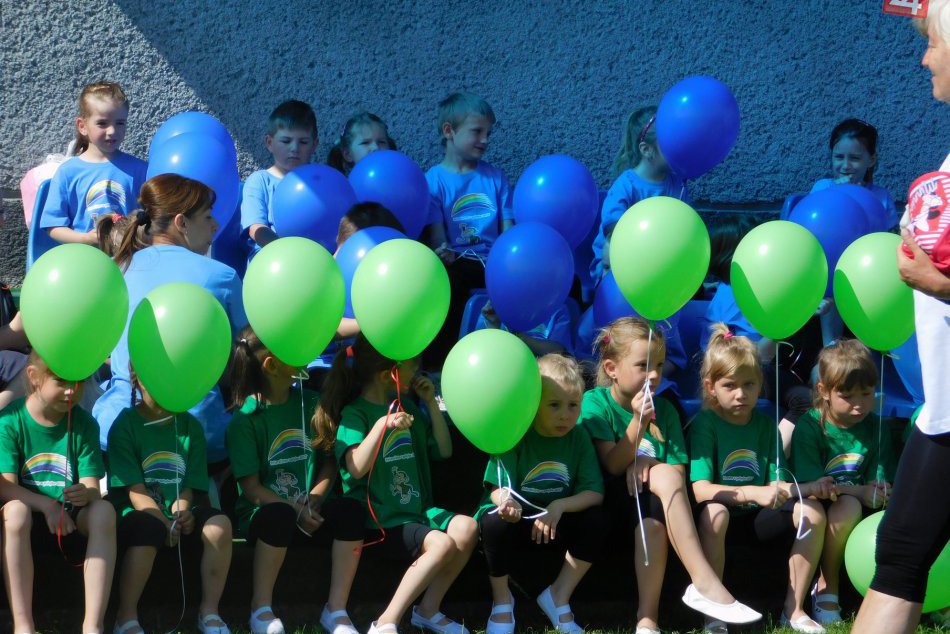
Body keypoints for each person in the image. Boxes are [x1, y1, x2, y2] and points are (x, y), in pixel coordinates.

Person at [852, 6, 950, 631]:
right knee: (900, 560)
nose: (924, 58)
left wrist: (936, 281)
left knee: (900, 563)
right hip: (941, 409)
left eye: (933, 42)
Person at [578, 317, 760, 634]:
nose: (654, 375)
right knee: (656, 486)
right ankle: (704, 582)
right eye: (642, 365)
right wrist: (637, 423)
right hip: (610, 507)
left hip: (655, 511)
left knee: (654, 517)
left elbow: (676, 472)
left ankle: (647, 619)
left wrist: (646, 464)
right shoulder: (595, 403)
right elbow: (611, 465)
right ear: (611, 369)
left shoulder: (666, 409)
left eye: (660, 365)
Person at [316, 335, 477, 634]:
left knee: (467, 528)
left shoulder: (410, 408)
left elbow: (443, 450)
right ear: (387, 374)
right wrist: (382, 425)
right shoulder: (356, 414)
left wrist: (429, 402)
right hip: (380, 520)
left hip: (417, 513)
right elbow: (355, 467)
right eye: (412, 365)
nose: (418, 371)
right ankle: (386, 622)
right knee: (441, 544)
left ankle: (427, 611)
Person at [93, 174, 247, 464]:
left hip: (116, 430)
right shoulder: (222, 276)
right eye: (208, 216)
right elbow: (245, 356)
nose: (215, 225)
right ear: (181, 223)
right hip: (199, 438)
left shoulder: (115, 272)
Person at [690, 325, 832, 634]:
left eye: (749, 384)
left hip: (759, 520)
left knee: (812, 512)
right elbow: (701, 491)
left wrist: (809, 488)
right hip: (721, 519)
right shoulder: (706, 424)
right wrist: (753, 493)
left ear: (761, 385)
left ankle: (793, 611)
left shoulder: (767, 427)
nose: (741, 394)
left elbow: (777, 485)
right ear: (710, 387)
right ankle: (712, 612)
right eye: (730, 386)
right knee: (716, 512)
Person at [227, 327, 364, 634]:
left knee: (351, 512)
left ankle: (336, 609)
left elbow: (329, 463)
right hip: (268, 515)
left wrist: (316, 496)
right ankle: (260, 608)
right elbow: (252, 490)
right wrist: (293, 508)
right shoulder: (246, 419)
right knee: (279, 515)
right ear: (272, 365)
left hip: (310, 513)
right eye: (292, 347)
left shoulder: (314, 401)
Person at [477, 354, 607, 634]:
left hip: (554, 519)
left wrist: (559, 506)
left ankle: (558, 595)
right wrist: (507, 503)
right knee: (493, 522)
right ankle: (502, 601)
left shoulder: (579, 436)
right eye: (554, 405)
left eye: (573, 406)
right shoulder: (516, 432)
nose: (565, 415)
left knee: (597, 520)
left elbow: (594, 492)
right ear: (533, 404)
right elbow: (496, 488)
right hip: (518, 517)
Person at [107, 372, 232, 634]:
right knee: (148, 528)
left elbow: (188, 486)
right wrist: (164, 522)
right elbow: (135, 490)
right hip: (136, 511)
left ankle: (209, 611)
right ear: (138, 379)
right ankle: (126, 616)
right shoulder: (125, 424)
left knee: (219, 524)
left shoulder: (190, 426)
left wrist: (180, 514)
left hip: (175, 510)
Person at [0, 353, 116, 634]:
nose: (71, 390)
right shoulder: (10, 420)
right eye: (61, 381)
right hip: (28, 523)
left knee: (104, 511)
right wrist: (47, 505)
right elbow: (4, 487)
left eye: (78, 382)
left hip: (72, 523)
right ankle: (23, 625)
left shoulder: (85, 424)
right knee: (15, 512)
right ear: (33, 377)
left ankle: (93, 625)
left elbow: (92, 487)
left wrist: (85, 495)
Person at [791, 340, 895, 626]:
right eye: (848, 395)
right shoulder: (810, 426)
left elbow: (882, 478)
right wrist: (859, 492)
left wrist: (880, 491)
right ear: (823, 391)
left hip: (860, 506)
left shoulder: (878, 427)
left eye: (867, 393)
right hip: (818, 502)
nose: (859, 403)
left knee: (854, 505)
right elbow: (814, 485)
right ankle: (827, 585)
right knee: (847, 504)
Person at [703, 214, 812, 456]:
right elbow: (755, 357)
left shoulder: (735, 290)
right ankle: (775, 462)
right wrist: (789, 322)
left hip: (758, 370)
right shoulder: (734, 298)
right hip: (740, 371)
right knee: (806, 401)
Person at [422, 92, 514, 367]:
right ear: (449, 131)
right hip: (459, 263)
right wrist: (444, 253)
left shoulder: (495, 178)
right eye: (477, 132)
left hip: (495, 262)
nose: (484, 140)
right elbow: (439, 241)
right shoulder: (433, 180)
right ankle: (441, 365)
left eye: (488, 132)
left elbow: (508, 233)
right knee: (448, 282)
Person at [590, 107, 691, 283]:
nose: (679, 148)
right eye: (671, 143)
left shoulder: (676, 185)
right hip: (615, 266)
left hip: (657, 266)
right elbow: (614, 230)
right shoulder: (626, 185)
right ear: (647, 150)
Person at [40, 81, 147, 246]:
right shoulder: (67, 172)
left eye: (120, 123)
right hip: (84, 261)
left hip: (128, 259)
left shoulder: (140, 170)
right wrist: (85, 239)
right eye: (102, 123)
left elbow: (155, 218)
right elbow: (53, 226)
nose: (112, 131)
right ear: (82, 126)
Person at [241, 100, 319, 258]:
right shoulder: (259, 181)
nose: (295, 148)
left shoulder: (320, 184)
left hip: (314, 262)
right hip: (270, 263)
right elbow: (256, 228)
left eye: (303, 142)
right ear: (269, 143)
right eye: (286, 141)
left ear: (314, 145)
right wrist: (288, 256)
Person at [809, 118, 898, 230]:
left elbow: (891, 237)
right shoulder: (822, 188)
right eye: (839, 157)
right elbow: (813, 225)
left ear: (871, 160)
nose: (846, 166)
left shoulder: (882, 197)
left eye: (855, 158)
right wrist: (836, 191)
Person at [327, 112, 396, 176]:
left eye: (381, 142)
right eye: (365, 143)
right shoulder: (344, 187)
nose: (375, 147)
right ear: (348, 154)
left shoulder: (398, 178)